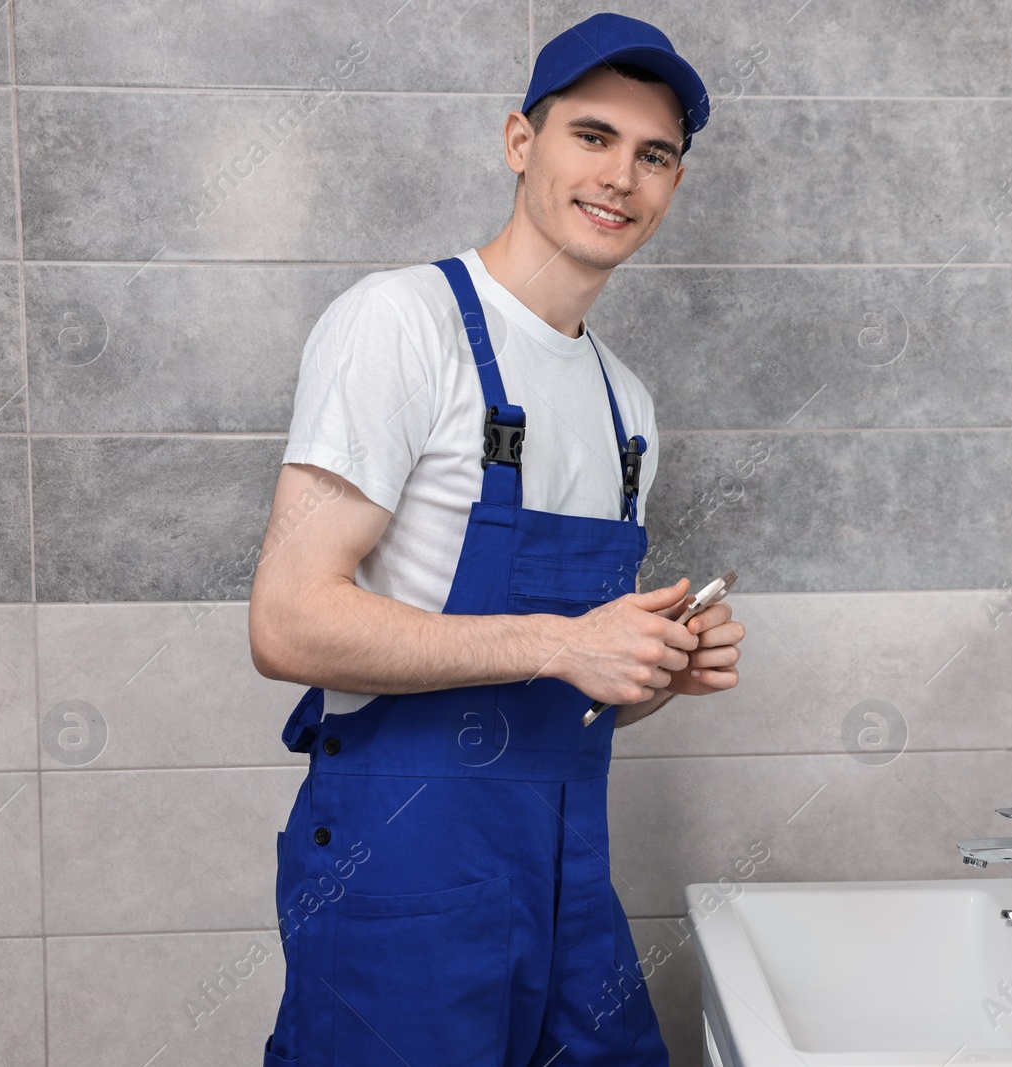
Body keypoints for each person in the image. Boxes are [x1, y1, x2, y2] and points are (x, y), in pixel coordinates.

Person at [247, 13, 746, 1066]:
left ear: (674, 188)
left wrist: (653, 665)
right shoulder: (401, 323)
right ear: (521, 140)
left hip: (566, 879)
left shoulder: (629, 408)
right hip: (405, 880)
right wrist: (564, 642)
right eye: (593, 136)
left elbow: (572, 681)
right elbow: (288, 621)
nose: (621, 176)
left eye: (654, 155)